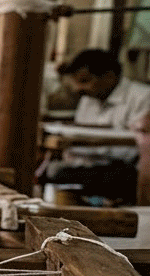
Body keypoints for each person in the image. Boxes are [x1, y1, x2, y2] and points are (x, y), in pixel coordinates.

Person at [42, 49, 150, 202]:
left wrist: (81, 145)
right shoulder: (89, 98)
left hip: (128, 170)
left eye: (85, 81)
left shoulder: (143, 97)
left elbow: (132, 151)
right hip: (92, 165)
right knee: (50, 172)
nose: (77, 89)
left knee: (62, 176)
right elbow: (79, 135)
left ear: (109, 76)